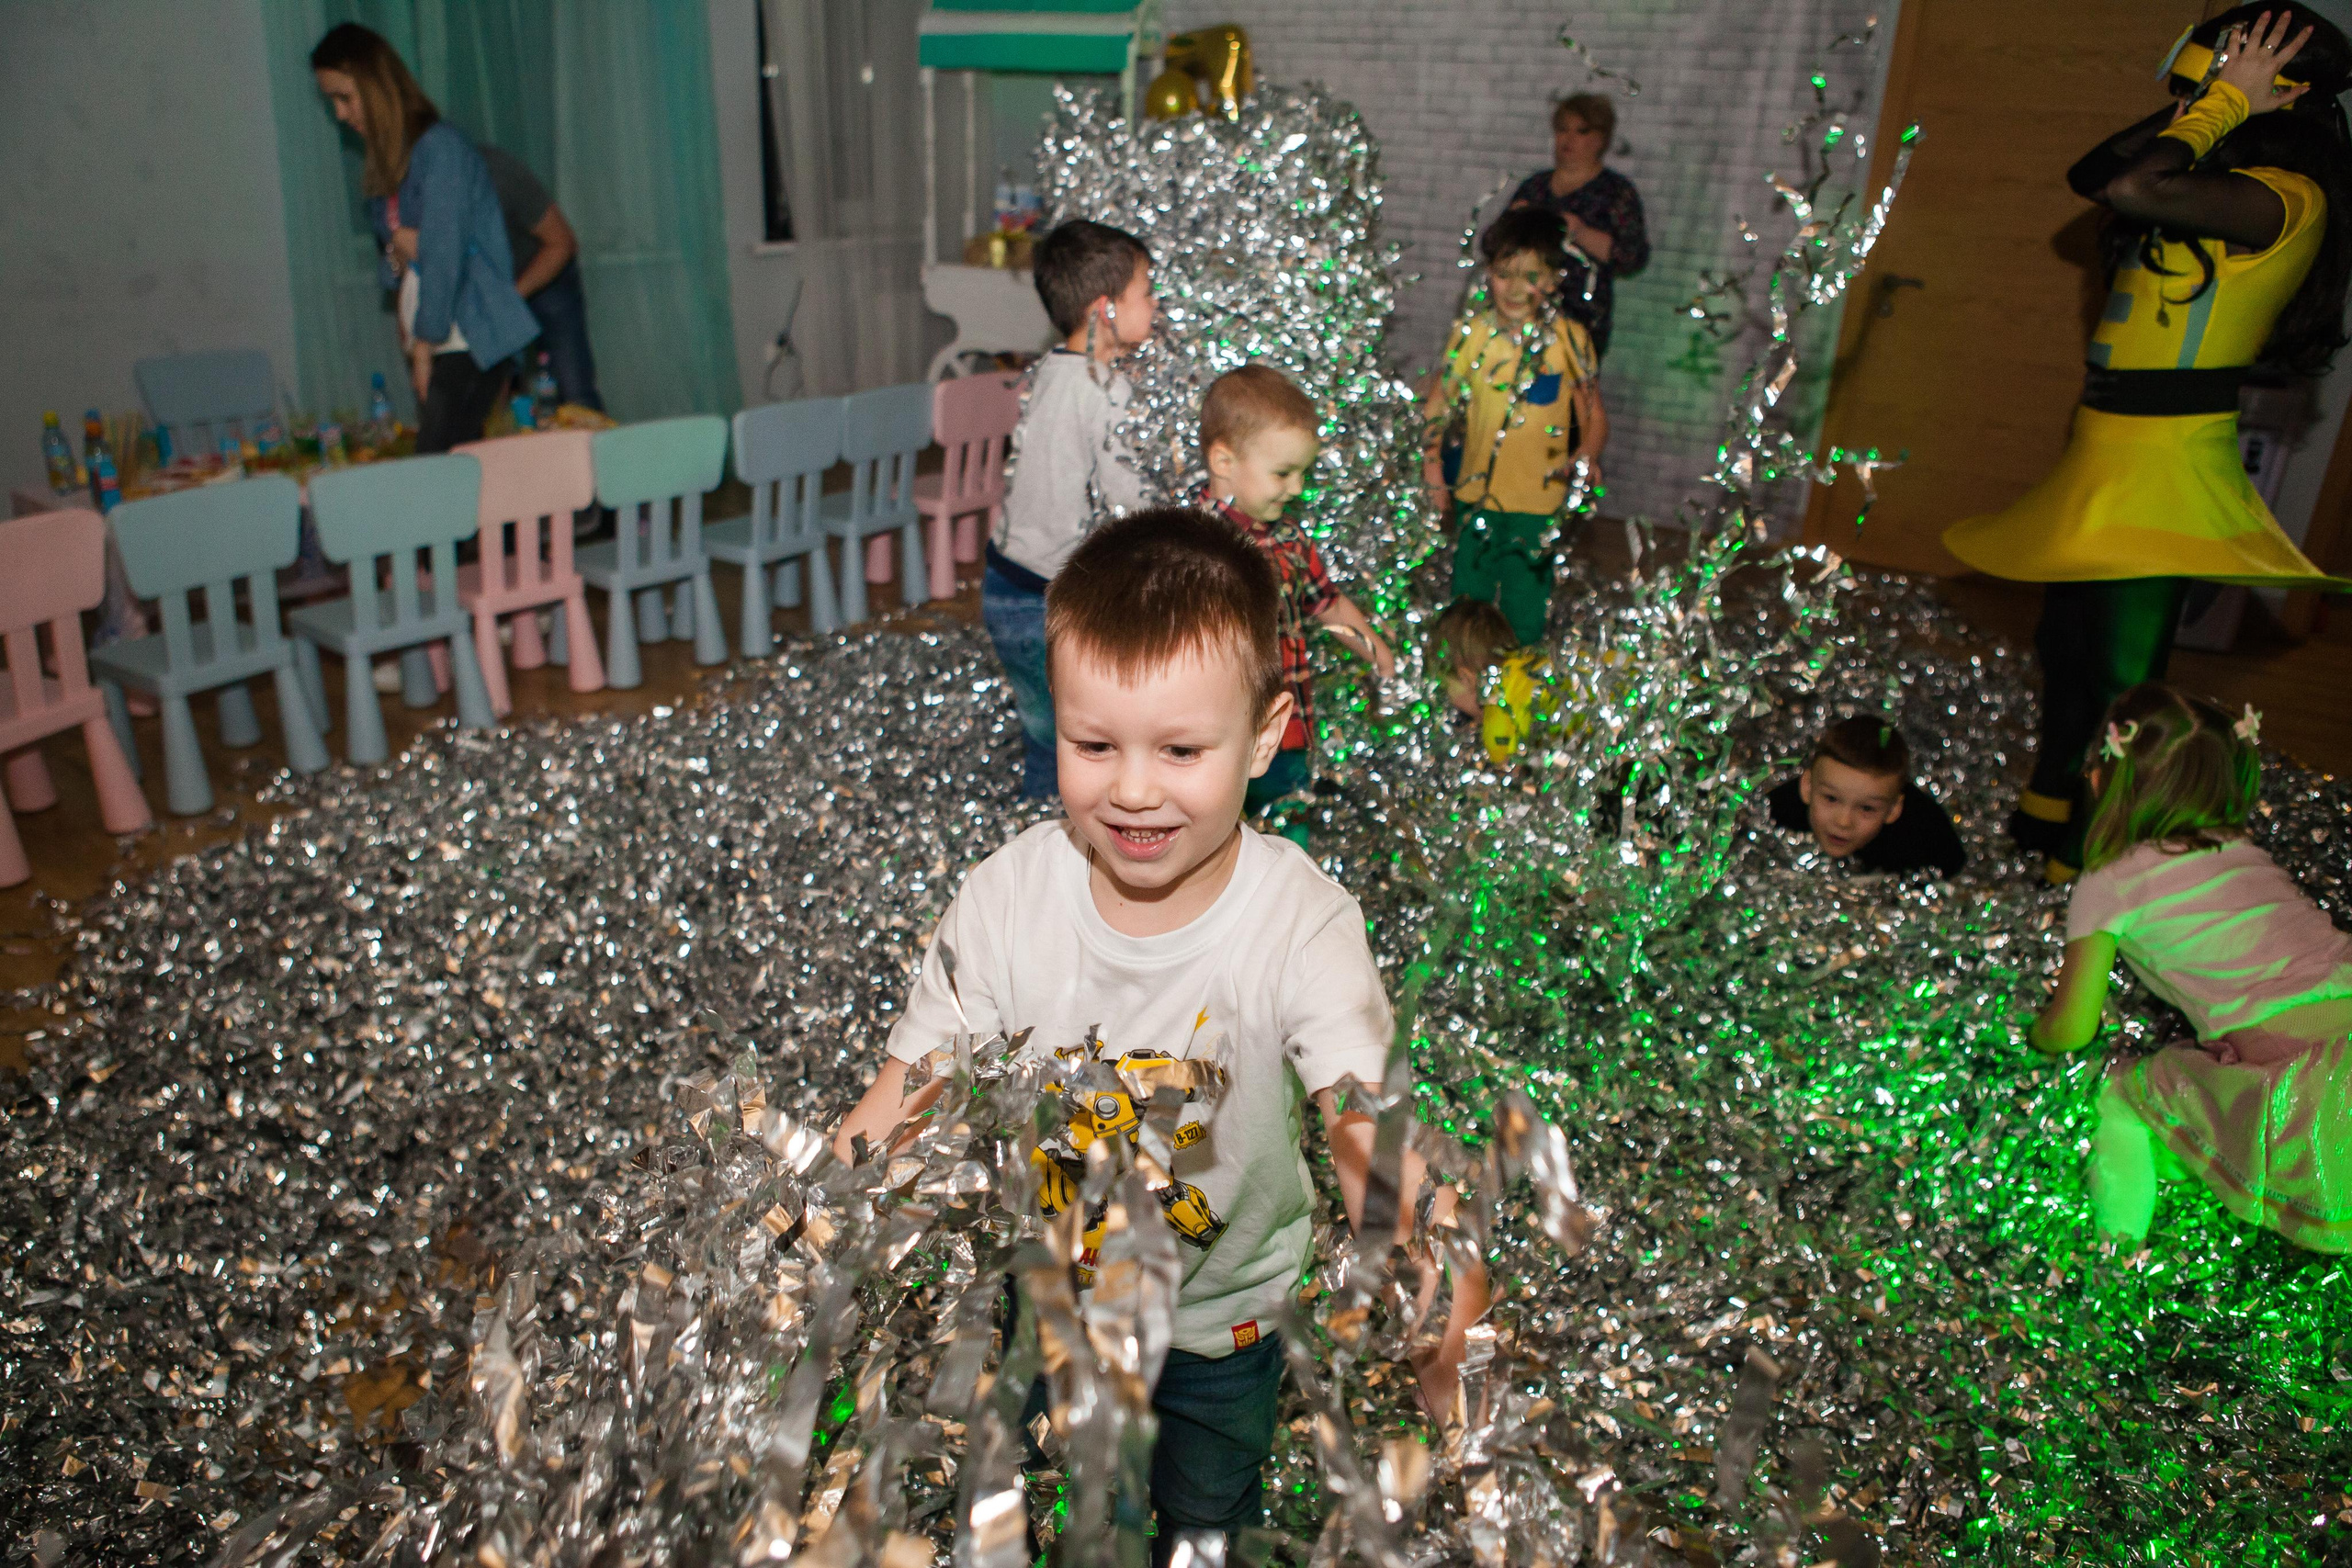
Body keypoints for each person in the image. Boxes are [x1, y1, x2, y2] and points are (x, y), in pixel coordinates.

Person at [832, 507, 1488, 1555]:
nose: (1133, 789)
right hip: (1048, 1304)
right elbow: (905, 1093)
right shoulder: (1006, 900)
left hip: (1218, 1329)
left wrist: (1428, 1260)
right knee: (1044, 1505)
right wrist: (807, 1230)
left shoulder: (1301, 924)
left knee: (1204, 1521)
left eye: (1181, 749)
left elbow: (1367, 1128)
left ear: (1265, 735)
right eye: (1094, 745)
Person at [1943, 5, 2352, 881]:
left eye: (2229, 75)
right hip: (2103, 442)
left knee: (2127, 687)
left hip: (2165, 456)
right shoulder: (2214, 162)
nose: (2201, 97)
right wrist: (2210, 103)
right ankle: (2046, 808)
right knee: (2067, 647)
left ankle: (2088, 860)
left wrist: (2226, 106)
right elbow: (2092, 172)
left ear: (2286, 91)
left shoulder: (2285, 194)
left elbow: (2132, 189)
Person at [2030, 682, 2352, 1253]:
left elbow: (2072, 1029)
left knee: (2122, 1099)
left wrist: (2034, 1029)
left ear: (2107, 780)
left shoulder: (2111, 881)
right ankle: (2183, 1157)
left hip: (2316, 1097)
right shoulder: (2248, 853)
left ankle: (2113, 1260)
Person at [987, 220, 1157, 799]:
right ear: (1106, 310)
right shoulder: (1106, 391)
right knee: (1067, 740)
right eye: (1147, 292)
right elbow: (1131, 499)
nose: (1155, 306)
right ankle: (1046, 840)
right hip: (1043, 596)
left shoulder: (1049, 371)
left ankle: (1040, 821)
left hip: (1003, 577)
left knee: (1045, 728)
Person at [311, 25, 537, 456]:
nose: (340, 114)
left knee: (438, 464)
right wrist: (400, 252)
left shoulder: (441, 149)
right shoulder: (387, 165)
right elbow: (398, 260)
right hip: (437, 337)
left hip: (468, 334)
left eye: (345, 97)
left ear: (375, 86)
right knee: (453, 466)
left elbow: (445, 253)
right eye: (332, 102)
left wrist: (423, 345)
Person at [1194, 366, 1394, 834]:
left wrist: (1376, 650)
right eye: (1283, 473)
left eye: (1303, 473)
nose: (1298, 489)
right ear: (1223, 462)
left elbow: (1326, 604)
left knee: (1289, 831)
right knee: (1214, 835)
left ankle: (1289, 900)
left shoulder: (1290, 540)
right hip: (1219, 735)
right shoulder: (1192, 543)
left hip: (1286, 731)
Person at [1422, 208, 1607, 647]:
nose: (1515, 289)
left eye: (1530, 276)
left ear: (1553, 280)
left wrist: (1588, 456)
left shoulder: (1568, 340)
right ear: (1488, 274)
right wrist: (1432, 466)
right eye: (1504, 274)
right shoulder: (1473, 334)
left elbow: (1594, 415)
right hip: (1476, 499)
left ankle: (1515, 702)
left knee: (1525, 613)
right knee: (1468, 607)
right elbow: (1438, 404)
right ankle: (1463, 700)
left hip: (1539, 505)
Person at [1507, 93, 1650, 357]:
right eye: (1562, 130)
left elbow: (1631, 257)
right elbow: (1497, 249)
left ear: (1600, 139)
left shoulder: (1615, 192)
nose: (1568, 139)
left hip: (1581, 319)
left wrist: (1582, 233)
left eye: (1581, 131)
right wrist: (1514, 224)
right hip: (1524, 311)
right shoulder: (1535, 187)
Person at [476, 143, 604, 412]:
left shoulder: (499, 174)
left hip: (546, 273)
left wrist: (511, 298)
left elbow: (563, 243)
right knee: (487, 407)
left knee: (575, 393)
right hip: (487, 293)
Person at [1764, 715, 1966, 876]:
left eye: (1867, 808)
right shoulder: (1776, 813)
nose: (1843, 822)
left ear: (1894, 809)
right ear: (1807, 787)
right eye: (1831, 799)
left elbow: (1954, 870)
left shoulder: (1924, 841)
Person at [1430, 597, 1552, 765]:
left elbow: (1508, 774)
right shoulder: (1528, 665)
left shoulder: (1497, 718)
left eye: (1445, 689)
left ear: (1466, 678)